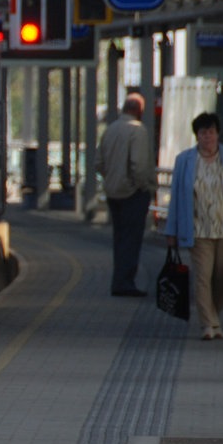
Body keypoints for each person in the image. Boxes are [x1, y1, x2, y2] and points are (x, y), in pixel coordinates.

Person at [165, 112, 223, 340]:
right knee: (203, 276)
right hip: (197, 229)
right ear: (196, 136)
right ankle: (209, 324)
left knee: (221, 276)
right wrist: (171, 230)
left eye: (212, 132)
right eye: (203, 133)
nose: (208, 137)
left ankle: (214, 314)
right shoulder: (185, 160)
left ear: (218, 134)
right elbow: (176, 196)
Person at [96, 93, 158, 297]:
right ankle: (125, 282)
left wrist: (111, 178)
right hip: (132, 194)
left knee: (120, 238)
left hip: (113, 193)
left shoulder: (110, 129)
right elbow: (139, 165)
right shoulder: (137, 131)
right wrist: (142, 186)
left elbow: (99, 162)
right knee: (131, 239)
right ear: (139, 110)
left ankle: (119, 280)